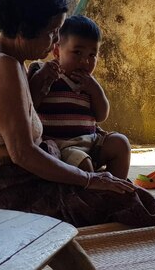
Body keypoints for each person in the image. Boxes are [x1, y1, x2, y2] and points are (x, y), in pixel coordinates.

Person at [0, 0, 155, 228]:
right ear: (26, 29)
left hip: (17, 176)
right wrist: (88, 179)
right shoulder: (4, 68)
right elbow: (23, 154)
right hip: (7, 189)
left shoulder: (5, 56)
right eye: (52, 32)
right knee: (130, 201)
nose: (56, 41)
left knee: (119, 190)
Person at [28, 15, 131, 179]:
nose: (85, 61)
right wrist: (41, 79)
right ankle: (93, 191)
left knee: (121, 143)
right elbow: (29, 106)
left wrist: (95, 90)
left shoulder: (89, 83)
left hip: (91, 142)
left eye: (92, 55)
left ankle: (116, 187)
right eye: (77, 52)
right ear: (56, 51)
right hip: (61, 147)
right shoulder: (43, 72)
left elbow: (101, 115)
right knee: (83, 163)